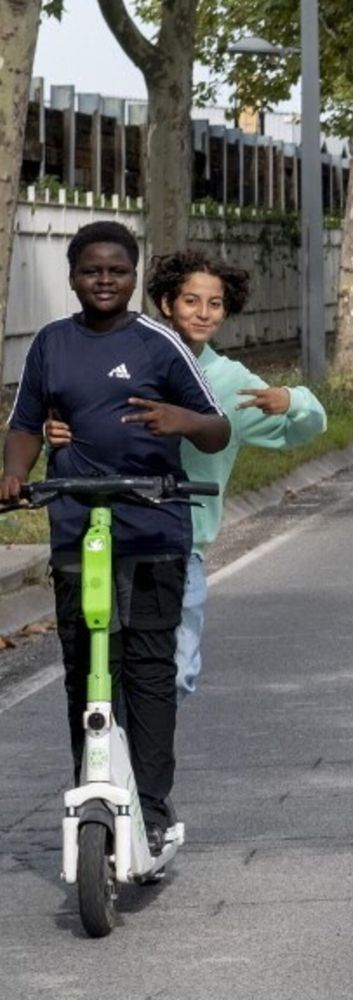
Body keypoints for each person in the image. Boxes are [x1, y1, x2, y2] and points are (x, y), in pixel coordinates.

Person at [1, 222, 231, 854]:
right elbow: (24, 424)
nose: (104, 280)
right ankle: (96, 787)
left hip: (152, 528)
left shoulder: (160, 343)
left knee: (149, 672)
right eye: (91, 270)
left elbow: (216, 429)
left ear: (134, 276)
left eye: (117, 270)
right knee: (84, 670)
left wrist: (183, 420)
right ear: (72, 275)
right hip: (77, 527)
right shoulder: (50, 344)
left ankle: (152, 808)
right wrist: (17, 471)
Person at [44, 250, 328, 705]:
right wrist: (50, 433)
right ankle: (109, 766)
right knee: (100, 671)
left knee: (173, 672)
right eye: (191, 301)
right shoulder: (124, 361)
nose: (203, 313)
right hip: (108, 539)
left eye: (214, 304)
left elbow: (305, 430)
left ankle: (140, 763)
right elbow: (76, 423)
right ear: (165, 303)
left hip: (181, 549)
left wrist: (292, 399)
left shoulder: (232, 381)